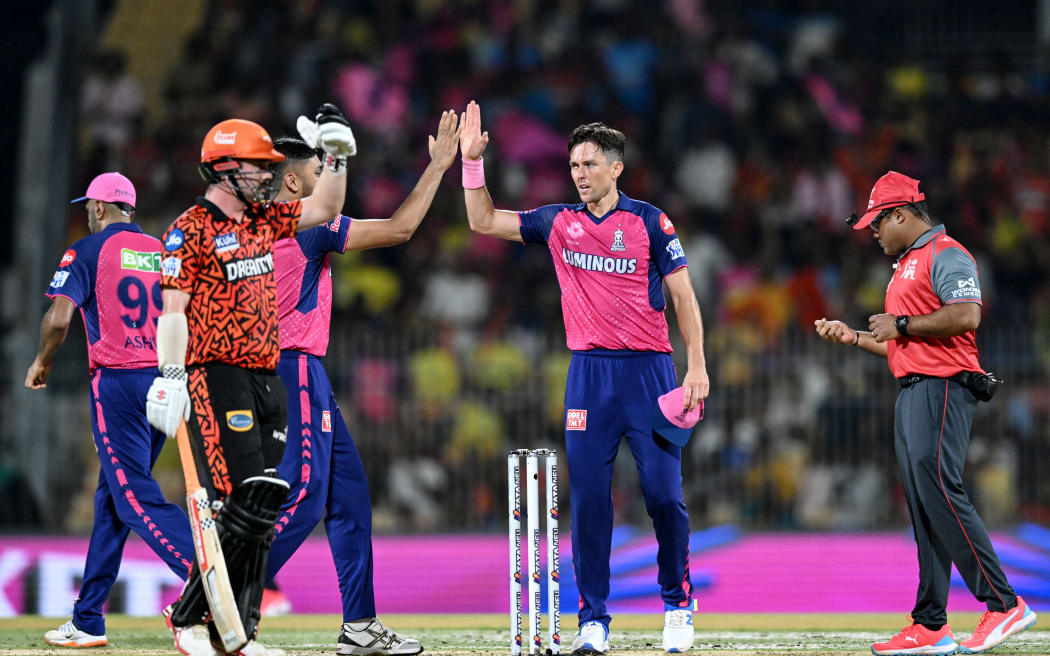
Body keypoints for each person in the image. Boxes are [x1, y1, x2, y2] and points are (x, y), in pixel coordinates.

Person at [458, 101, 710, 654]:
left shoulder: (649, 221)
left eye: (590, 165)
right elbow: (481, 221)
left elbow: (683, 294)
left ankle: (677, 604)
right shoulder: (558, 222)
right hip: (589, 378)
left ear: (616, 168)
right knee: (591, 501)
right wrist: (472, 165)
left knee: (665, 496)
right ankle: (592, 619)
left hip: (651, 375)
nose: (580, 174)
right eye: (574, 165)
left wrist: (697, 365)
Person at [145, 106, 354, 656]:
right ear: (225, 169)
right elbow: (172, 310)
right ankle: (197, 625)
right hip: (217, 376)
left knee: (261, 504)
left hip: (267, 378)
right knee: (242, 498)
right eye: (259, 167)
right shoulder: (186, 231)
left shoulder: (264, 220)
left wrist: (335, 155)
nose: (268, 175)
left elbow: (329, 204)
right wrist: (170, 376)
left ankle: (236, 632)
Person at [263, 108, 461, 655]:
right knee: (304, 495)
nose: (325, 180)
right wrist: (439, 165)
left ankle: (359, 626)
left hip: (303, 370)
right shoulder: (302, 229)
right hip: (292, 365)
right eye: (316, 171)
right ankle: (222, 596)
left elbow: (390, 225)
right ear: (294, 182)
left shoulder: (274, 223)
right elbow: (399, 228)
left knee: (348, 496)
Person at [815, 171, 1038, 656]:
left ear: (900, 213)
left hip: (942, 390)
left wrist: (899, 323)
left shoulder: (945, 253)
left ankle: (1003, 604)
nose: (872, 232)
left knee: (939, 488)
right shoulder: (905, 265)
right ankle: (931, 624)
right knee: (922, 505)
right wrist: (855, 337)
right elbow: (905, 345)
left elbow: (966, 314)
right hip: (914, 388)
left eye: (877, 222)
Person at [25, 172, 194, 648]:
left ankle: (205, 575)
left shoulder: (86, 250)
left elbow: (59, 318)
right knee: (111, 500)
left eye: (88, 208)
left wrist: (41, 362)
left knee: (133, 494)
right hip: (163, 383)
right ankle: (87, 618)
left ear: (99, 209)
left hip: (118, 383)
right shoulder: (162, 250)